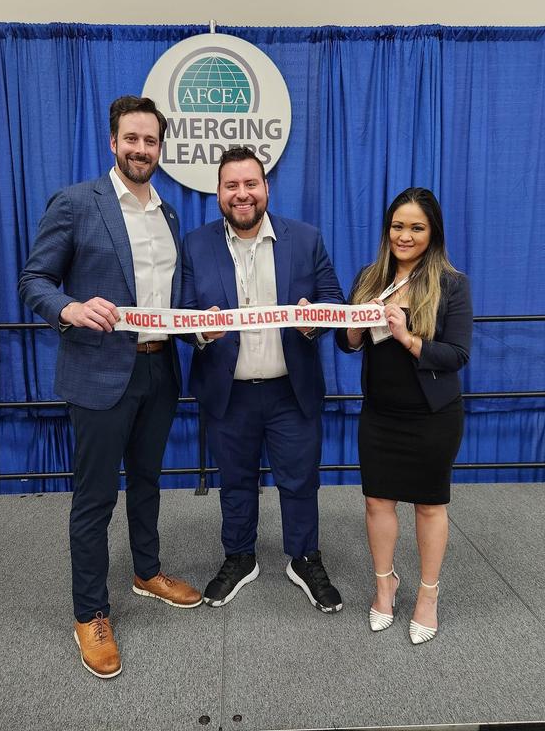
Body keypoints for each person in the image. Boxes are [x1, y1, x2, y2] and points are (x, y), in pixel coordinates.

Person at [18, 95, 201, 680]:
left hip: (159, 371)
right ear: (113, 142)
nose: (141, 149)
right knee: (94, 498)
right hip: (98, 373)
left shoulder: (169, 217)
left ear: (160, 148)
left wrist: (199, 327)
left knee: (147, 481)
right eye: (132, 139)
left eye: (151, 141)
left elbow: (170, 300)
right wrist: (69, 308)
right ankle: (89, 613)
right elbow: (33, 280)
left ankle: (146, 571)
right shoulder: (76, 203)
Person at [182, 146, 344, 613]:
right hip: (228, 391)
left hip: (290, 390)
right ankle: (239, 556)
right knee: (234, 482)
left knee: (299, 481)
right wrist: (200, 331)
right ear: (217, 193)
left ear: (266, 187)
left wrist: (315, 320)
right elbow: (183, 313)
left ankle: (304, 558)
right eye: (231, 185)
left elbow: (332, 298)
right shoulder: (196, 243)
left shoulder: (306, 238)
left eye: (250, 183)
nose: (242, 194)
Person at [336, 187, 472, 644]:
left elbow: (456, 355)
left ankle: (428, 596)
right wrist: (354, 324)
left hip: (433, 417)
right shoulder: (370, 276)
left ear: (432, 233)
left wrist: (407, 336)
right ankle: (385, 586)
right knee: (377, 502)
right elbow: (348, 344)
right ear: (386, 229)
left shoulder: (452, 284)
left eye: (416, 227)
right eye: (398, 226)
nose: (405, 235)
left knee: (430, 506)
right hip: (380, 415)